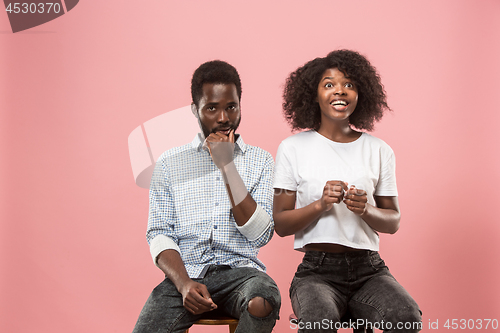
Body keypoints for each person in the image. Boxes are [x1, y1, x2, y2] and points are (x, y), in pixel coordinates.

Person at [273, 50, 421, 332]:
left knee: (406, 317)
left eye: (349, 84)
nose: (339, 91)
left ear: (360, 93)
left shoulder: (379, 150)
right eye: (328, 84)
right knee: (318, 322)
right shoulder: (292, 148)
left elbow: (393, 221)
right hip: (317, 272)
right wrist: (320, 205)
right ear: (313, 95)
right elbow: (280, 224)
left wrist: (365, 209)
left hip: (370, 269)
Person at [133, 60, 280, 333]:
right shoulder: (169, 163)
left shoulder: (261, 161)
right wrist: (183, 283)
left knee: (264, 298)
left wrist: (227, 166)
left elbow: (260, 234)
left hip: (242, 275)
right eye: (212, 108)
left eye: (231, 107)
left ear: (240, 104)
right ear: (195, 109)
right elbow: (159, 232)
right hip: (187, 276)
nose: (223, 118)